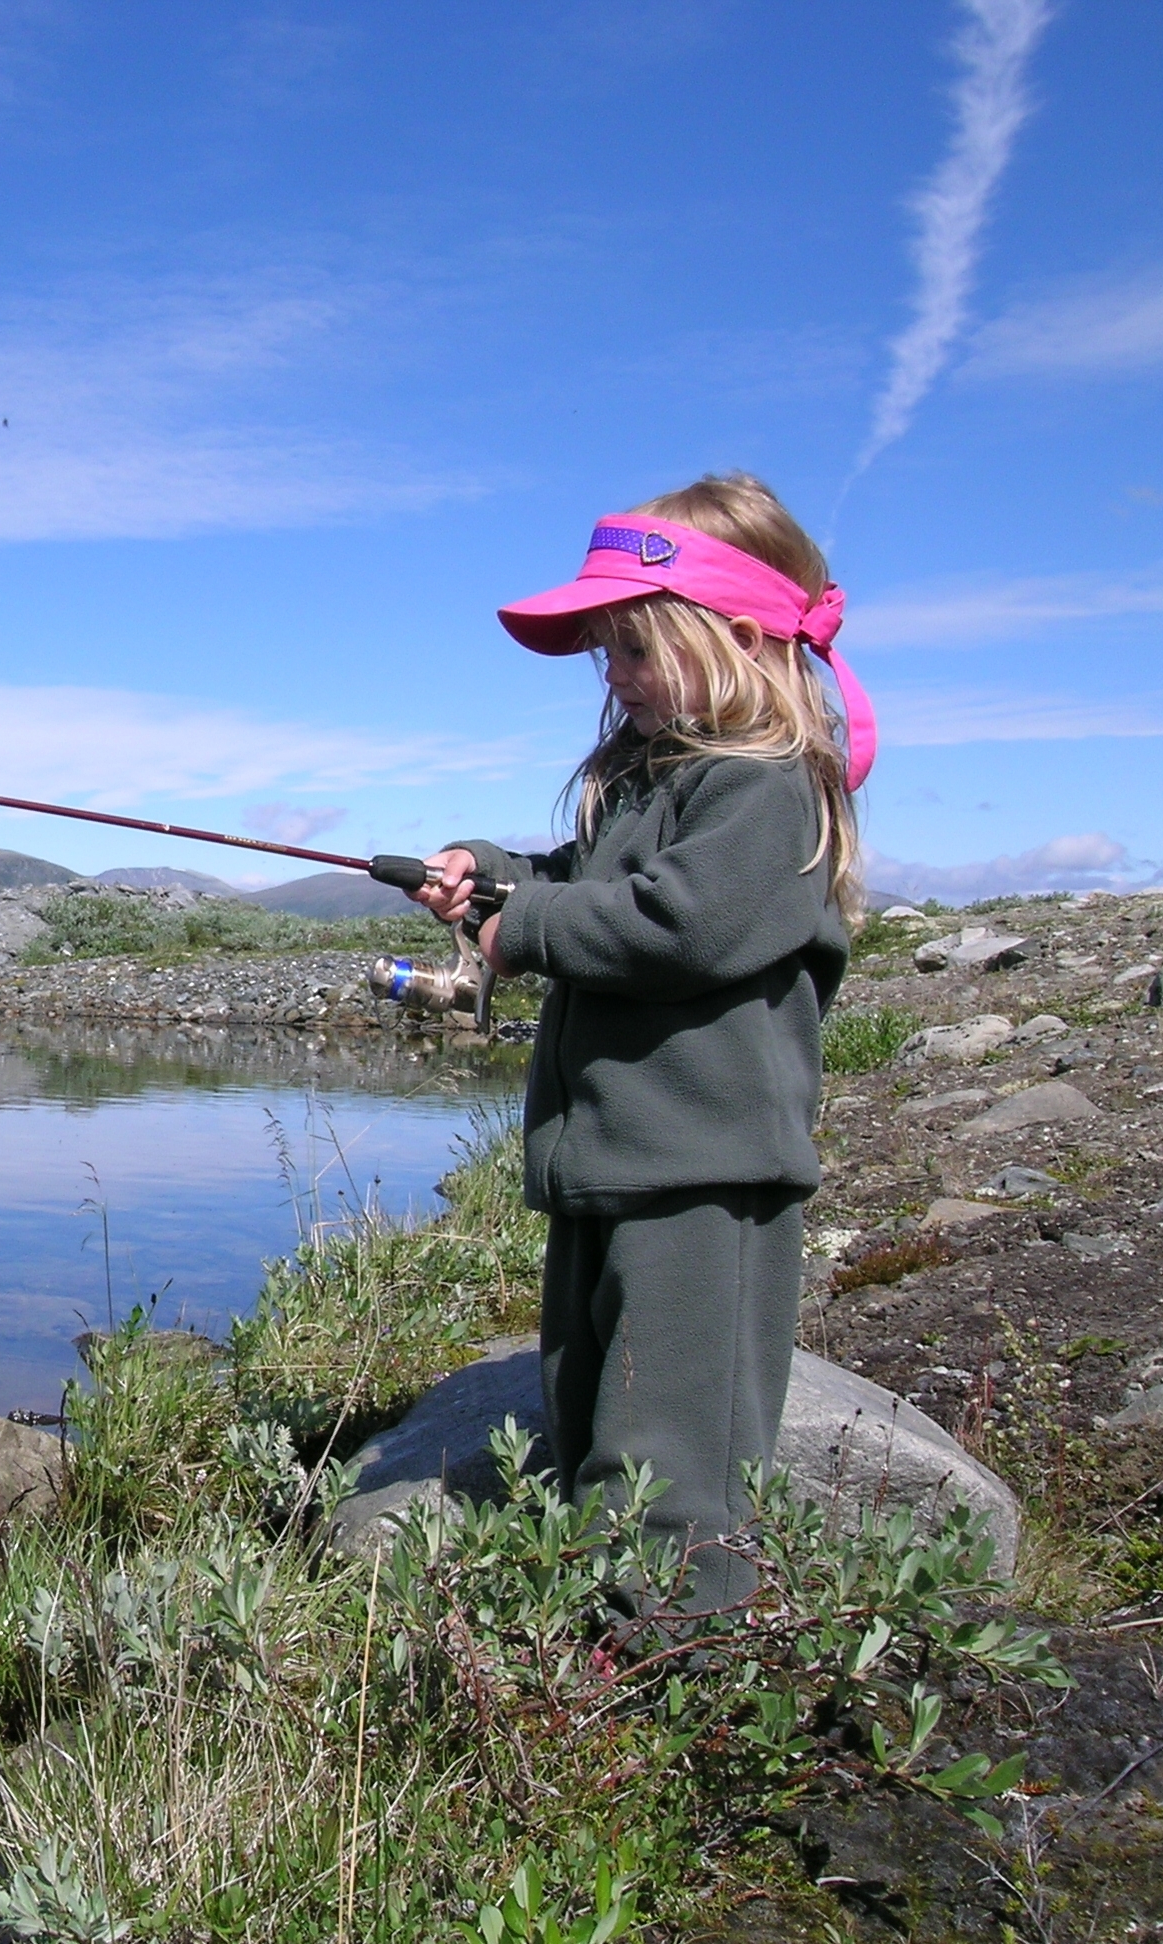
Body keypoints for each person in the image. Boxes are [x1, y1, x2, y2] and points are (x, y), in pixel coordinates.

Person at [412, 473, 875, 1611]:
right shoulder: (649, 781)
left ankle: (677, 1651)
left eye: (633, 647)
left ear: (738, 641)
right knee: (586, 1413)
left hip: (703, 1175)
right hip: (611, 1163)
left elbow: (681, 923)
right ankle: (593, 1635)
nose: (611, 674)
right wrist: (491, 875)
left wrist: (525, 930)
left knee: (670, 1459)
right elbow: (582, 881)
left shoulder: (767, 788)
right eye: (605, 652)